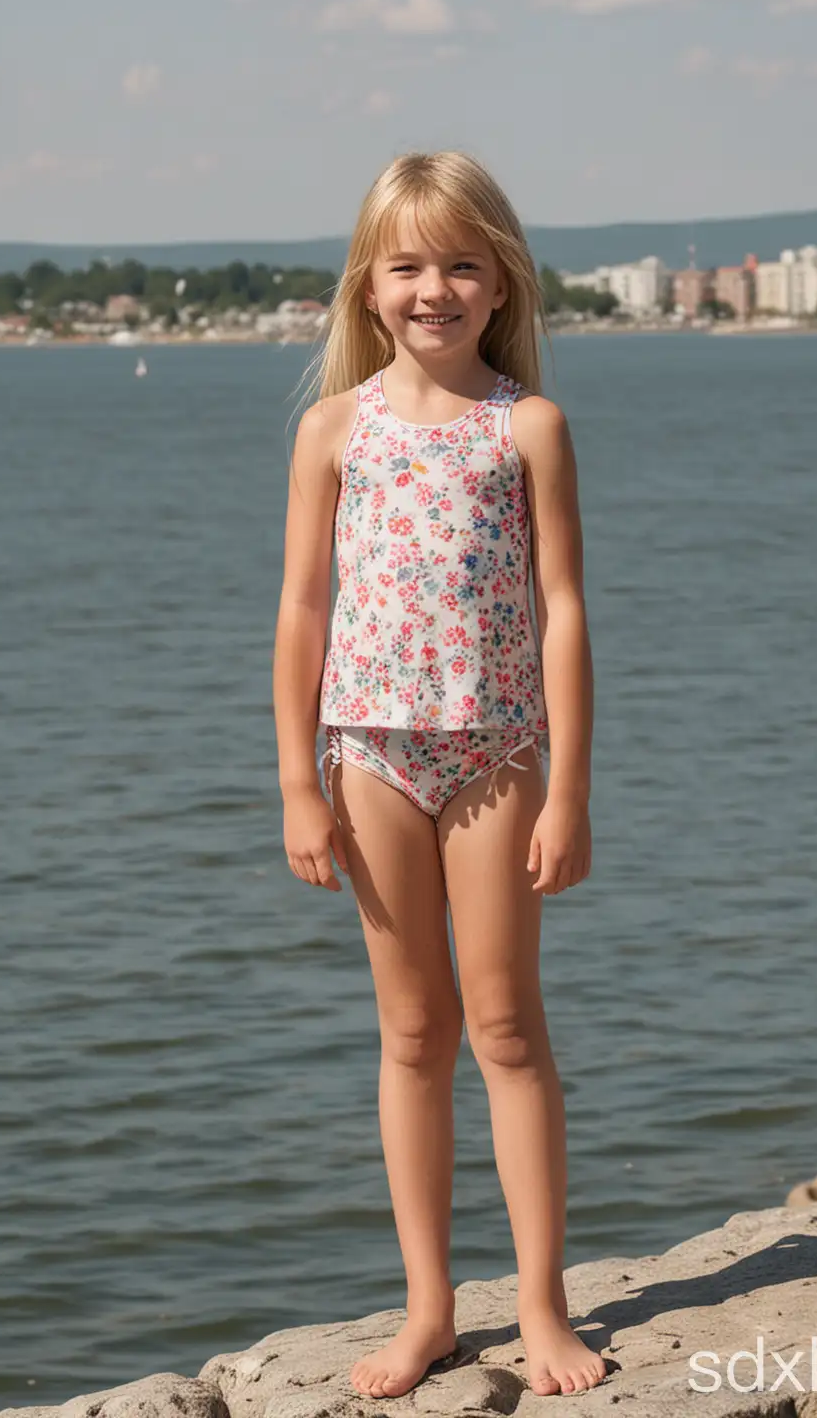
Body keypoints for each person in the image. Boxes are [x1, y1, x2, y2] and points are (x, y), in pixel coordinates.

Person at [272, 150, 604, 1401]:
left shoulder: (528, 429)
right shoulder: (331, 432)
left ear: (502, 282)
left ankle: (542, 1303)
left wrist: (567, 785)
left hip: (497, 747)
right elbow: (304, 609)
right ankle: (428, 1309)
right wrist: (299, 782)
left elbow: (563, 609)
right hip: (369, 756)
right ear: (368, 288)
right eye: (407, 265)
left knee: (507, 1026)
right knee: (412, 1033)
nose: (436, 288)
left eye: (463, 263)